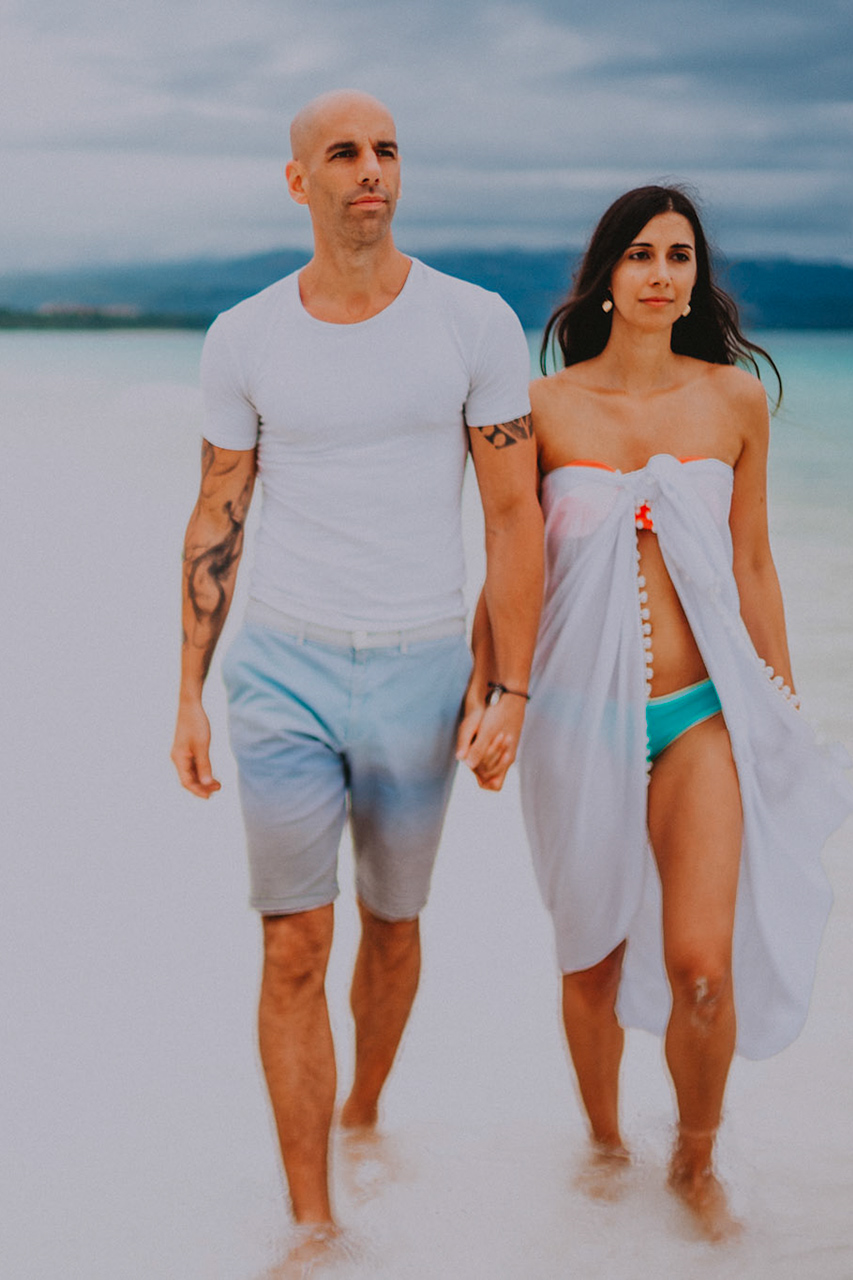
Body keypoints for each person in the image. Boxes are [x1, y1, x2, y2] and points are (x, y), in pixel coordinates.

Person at [169, 89, 545, 1247]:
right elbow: (217, 512)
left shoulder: (473, 322)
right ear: (300, 182)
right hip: (280, 664)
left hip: (425, 665)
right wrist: (188, 687)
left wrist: (510, 687)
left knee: (392, 919)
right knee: (294, 937)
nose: (370, 169)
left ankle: (366, 1110)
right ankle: (314, 1220)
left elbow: (516, 516)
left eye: (387, 149)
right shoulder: (245, 335)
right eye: (344, 152)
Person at [469, 184, 853, 1239]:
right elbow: (510, 560)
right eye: (639, 255)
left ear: (698, 276)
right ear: (605, 276)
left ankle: (695, 1158)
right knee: (589, 961)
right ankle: (601, 1144)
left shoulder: (733, 400)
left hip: (702, 717)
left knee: (701, 966)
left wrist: (782, 707)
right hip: (572, 721)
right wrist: (487, 697)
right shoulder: (543, 408)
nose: (661, 274)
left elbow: (754, 561)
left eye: (679, 256)